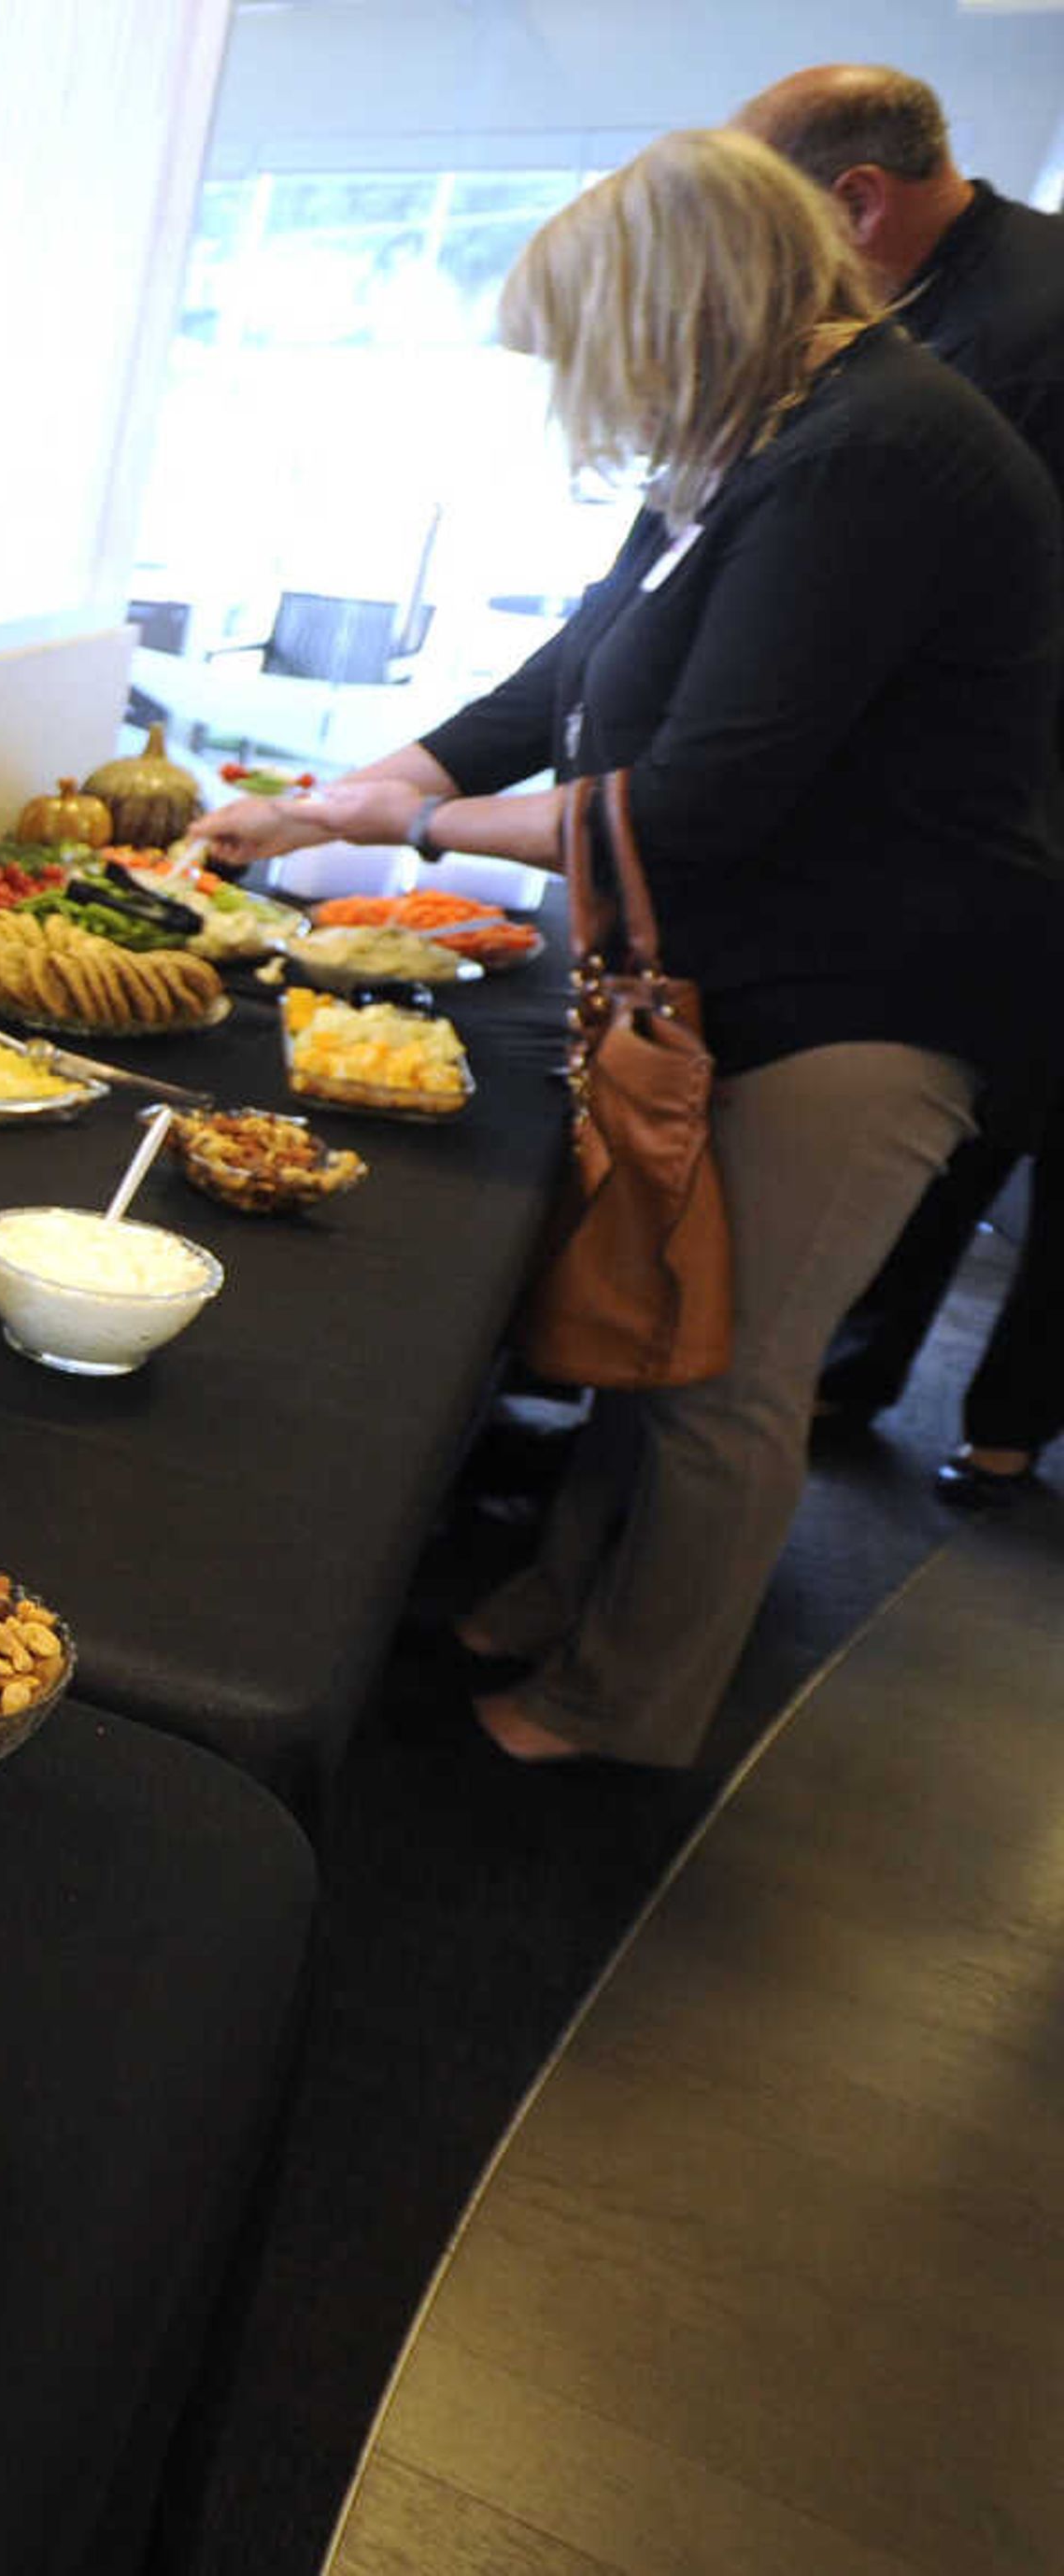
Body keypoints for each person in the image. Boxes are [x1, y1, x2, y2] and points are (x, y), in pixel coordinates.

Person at [197, 130, 1064, 1769]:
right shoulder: (765, 438)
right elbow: (570, 672)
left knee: (730, 1374)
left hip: (873, 992)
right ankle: (566, 1592)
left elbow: (698, 799)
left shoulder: (875, 453)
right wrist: (372, 787)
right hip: (762, 964)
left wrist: (406, 835)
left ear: (676, 310)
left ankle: (623, 1703)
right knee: (662, 1318)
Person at [736, 65, 1064, 1507]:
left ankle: (1000, 1430)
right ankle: (857, 1380)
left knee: (982, 1126)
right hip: (980, 829)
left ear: (856, 202)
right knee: (939, 1151)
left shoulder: (1015, 335)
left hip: (1005, 832)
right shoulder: (956, 306)